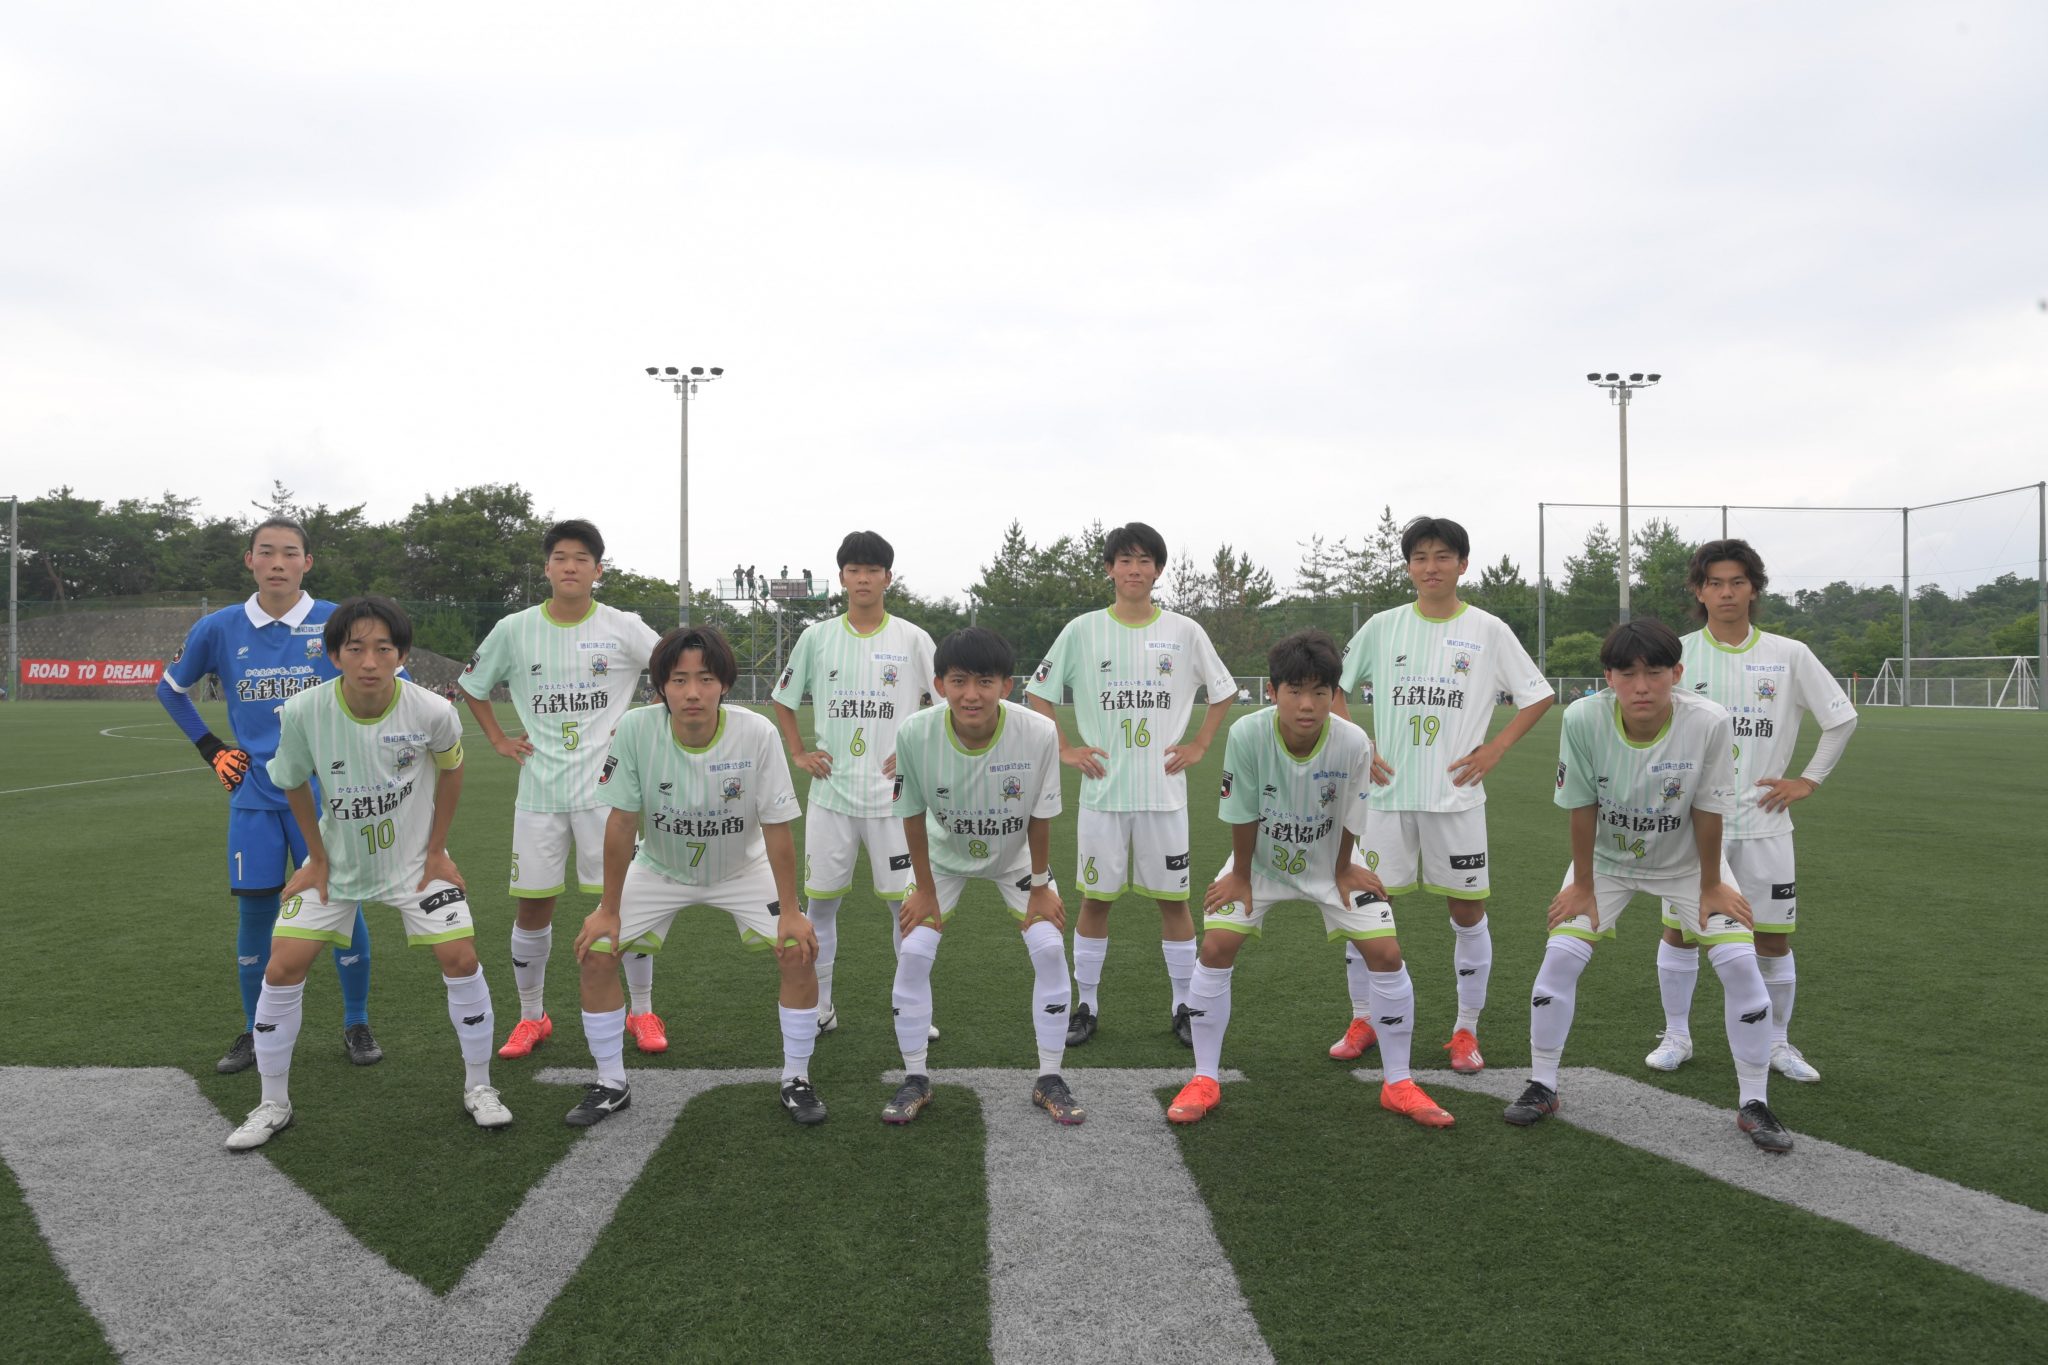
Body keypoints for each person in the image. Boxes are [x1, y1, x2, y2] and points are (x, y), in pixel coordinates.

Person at [225, 597, 509, 1149]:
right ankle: (272, 1103)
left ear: (402, 654)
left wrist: (437, 850)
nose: (370, 661)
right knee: (282, 966)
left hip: (414, 863)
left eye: (383, 648)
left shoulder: (432, 710)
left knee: (461, 957)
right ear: (334, 655)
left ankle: (480, 1087)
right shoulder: (304, 711)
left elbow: (452, 770)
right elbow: (291, 780)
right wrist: (317, 858)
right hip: (337, 865)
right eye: (356, 649)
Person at [1505, 619, 1791, 1153]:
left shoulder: (1709, 720)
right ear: (1608, 677)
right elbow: (1581, 804)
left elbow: (1709, 806)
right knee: (1558, 963)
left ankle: (1755, 1101)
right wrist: (1583, 884)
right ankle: (1542, 1084)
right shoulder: (1583, 717)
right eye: (1628, 674)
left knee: (1741, 968)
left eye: (1655, 673)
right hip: (1606, 864)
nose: (1642, 687)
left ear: (1677, 674)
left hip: (1688, 865)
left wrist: (1711, 884)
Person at [1167, 631, 1454, 1129]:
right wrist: (1240, 875)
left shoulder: (1352, 742)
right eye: (1295, 691)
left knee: (1387, 953)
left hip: (1330, 862)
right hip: (1258, 863)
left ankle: (1399, 1083)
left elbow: (1353, 812)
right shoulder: (1248, 734)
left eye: (1320, 692)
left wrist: (1343, 867)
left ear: (1333, 694)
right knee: (1215, 946)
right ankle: (1204, 1077)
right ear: (1273, 691)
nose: (1307, 705)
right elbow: (1242, 811)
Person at [570, 625, 826, 1126]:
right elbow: (621, 823)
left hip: (741, 867)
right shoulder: (636, 729)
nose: (692, 692)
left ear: (724, 684)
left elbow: (776, 826)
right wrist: (607, 908)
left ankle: (796, 1078)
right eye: (679, 679)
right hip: (660, 867)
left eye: (705, 679)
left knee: (798, 949)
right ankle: (610, 1082)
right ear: (661, 686)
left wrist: (792, 911)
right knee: (597, 951)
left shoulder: (757, 732)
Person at [1328, 516, 1553, 1075]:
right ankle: (1363, 1019)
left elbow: (1537, 695)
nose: (1431, 567)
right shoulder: (1382, 626)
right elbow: (1334, 685)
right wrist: (1358, 745)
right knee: (1365, 907)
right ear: (1409, 566)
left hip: (1456, 797)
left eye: (1443, 556)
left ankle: (1465, 1029)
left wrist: (1494, 750)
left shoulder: (1488, 630)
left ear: (1462, 564)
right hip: (1385, 798)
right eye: (1421, 557)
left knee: (1467, 911)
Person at [156, 517, 380, 1074]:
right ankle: (257, 1029)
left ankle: (356, 1021)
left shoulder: (338, 621)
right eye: (267, 552)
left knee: (341, 906)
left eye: (290, 553)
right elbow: (171, 689)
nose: (278, 563)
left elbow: (384, 683)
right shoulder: (219, 627)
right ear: (250, 560)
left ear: (307, 562)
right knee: (256, 912)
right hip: (254, 797)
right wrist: (212, 748)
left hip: (328, 799)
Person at [1646, 540, 1857, 1082]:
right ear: (1699, 591)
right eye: (1714, 583)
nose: (1726, 593)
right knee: (1682, 932)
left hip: (1765, 824)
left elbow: (1841, 718)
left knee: (1772, 938)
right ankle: (1676, 1036)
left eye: (1737, 582)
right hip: (1693, 827)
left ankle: (1778, 1043)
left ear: (1754, 589)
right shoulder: (1678, 656)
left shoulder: (1790, 655)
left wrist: (1808, 780)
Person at [1024, 522, 1236, 1048]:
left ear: (1158, 569)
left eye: (1144, 560)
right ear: (1109, 569)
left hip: (1164, 795)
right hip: (1103, 794)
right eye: (1125, 560)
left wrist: (1199, 745)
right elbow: (1038, 691)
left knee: (1174, 902)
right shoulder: (1082, 630)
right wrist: (1066, 748)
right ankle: (1087, 1005)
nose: (1134, 569)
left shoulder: (1184, 631)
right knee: (1095, 901)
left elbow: (1223, 690)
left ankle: (1183, 1005)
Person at [458, 521, 663, 1062]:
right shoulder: (515, 629)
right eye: (560, 557)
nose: (570, 566)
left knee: (624, 905)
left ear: (598, 570)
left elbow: (675, 668)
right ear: (546, 567)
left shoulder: (623, 626)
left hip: (608, 795)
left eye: (581, 559)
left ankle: (642, 1010)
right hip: (540, 793)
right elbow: (472, 684)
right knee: (533, 908)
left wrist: (640, 725)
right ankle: (532, 1016)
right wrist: (498, 739)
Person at [881, 628, 1082, 1125]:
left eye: (985, 681)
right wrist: (925, 889)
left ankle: (1050, 1076)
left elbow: (1040, 814)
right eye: (959, 681)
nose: (971, 694)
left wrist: (1040, 886)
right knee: (913, 952)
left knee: (1050, 948)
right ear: (939, 685)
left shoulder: (1038, 731)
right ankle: (915, 1077)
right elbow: (911, 813)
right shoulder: (915, 732)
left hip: (1016, 858)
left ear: (1006, 686)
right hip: (943, 859)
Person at [769, 531, 937, 1035]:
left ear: (888, 578)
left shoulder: (912, 638)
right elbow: (783, 698)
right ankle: (820, 1006)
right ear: (842, 577)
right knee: (820, 906)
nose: (863, 579)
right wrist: (799, 752)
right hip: (832, 797)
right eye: (854, 570)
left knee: (905, 908)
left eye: (873, 570)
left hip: (895, 801)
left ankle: (912, 1008)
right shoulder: (817, 638)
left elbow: (946, 703)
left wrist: (916, 751)